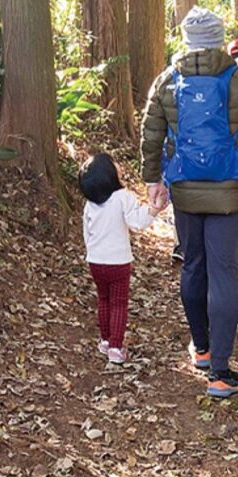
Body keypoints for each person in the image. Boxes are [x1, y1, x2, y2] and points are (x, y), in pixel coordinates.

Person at [141, 6, 238, 398]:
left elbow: (151, 135)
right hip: (232, 190)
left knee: (193, 266)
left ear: (186, 40)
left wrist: (153, 180)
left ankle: (200, 349)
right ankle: (220, 372)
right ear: (219, 39)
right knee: (223, 273)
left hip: (185, 188)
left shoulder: (166, 81)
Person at [80, 153, 158, 364]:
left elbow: (87, 233)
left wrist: (91, 252)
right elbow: (137, 222)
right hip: (118, 262)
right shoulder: (123, 197)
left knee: (103, 300)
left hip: (95, 261)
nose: (118, 166)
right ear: (109, 174)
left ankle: (105, 340)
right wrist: (153, 210)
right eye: (114, 163)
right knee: (119, 304)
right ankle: (116, 347)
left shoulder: (90, 205)